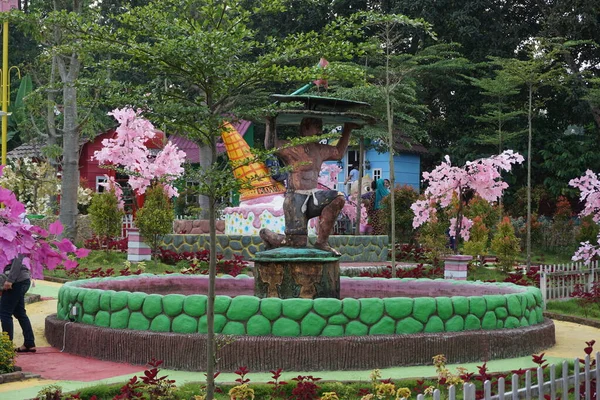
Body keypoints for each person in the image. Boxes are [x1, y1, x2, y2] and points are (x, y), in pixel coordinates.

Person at [260, 117, 360, 255]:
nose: (320, 131)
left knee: (338, 198)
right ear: (305, 128)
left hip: (313, 197)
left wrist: (348, 128)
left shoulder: (319, 150)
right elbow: (271, 146)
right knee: (296, 244)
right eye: (317, 126)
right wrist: (270, 122)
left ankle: (322, 242)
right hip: (295, 199)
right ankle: (268, 235)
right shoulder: (292, 148)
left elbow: (338, 153)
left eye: (321, 127)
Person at [1, 254, 36, 353]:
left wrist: (10, 280)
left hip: (16, 281)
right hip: (21, 280)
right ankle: (29, 343)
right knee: (19, 313)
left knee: (4, 313)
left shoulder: (15, 242)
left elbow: (17, 261)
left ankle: (6, 347)